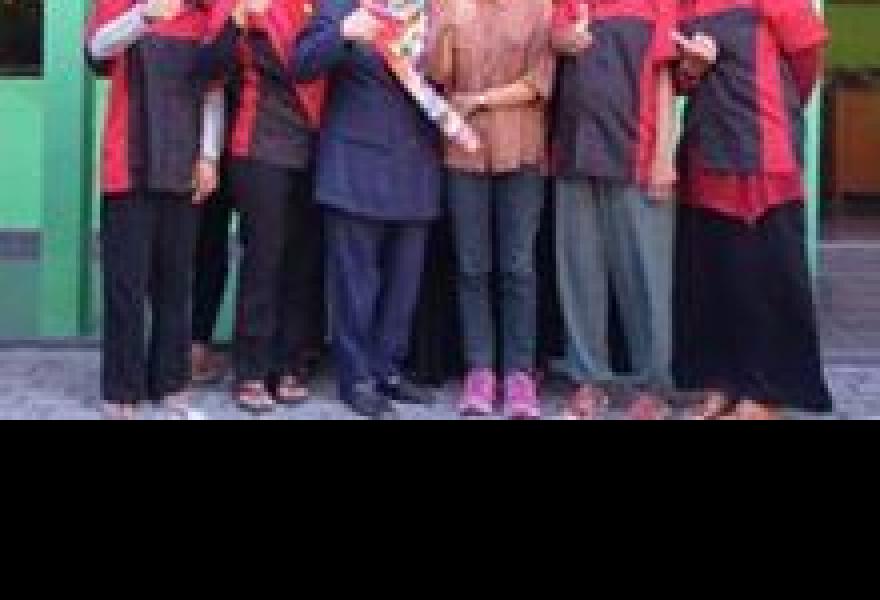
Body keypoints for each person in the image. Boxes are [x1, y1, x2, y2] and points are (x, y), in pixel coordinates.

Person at [674, 0, 833, 419]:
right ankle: (722, 382)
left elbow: (806, 61)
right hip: (707, 147)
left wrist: (780, 105)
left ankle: (768, 391)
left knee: (765, 277)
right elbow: (677, 81)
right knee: (713, 275)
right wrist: (691, 69)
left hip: (763, 147)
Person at [292, 0, 443, 419]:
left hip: (415, 166)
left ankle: (388, 369)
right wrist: (342, 33)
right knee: (355, 284)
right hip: (354, 168)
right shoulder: (341, 8)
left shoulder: (428, 12)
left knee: (404, 283)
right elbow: (301, 64)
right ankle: (356, 378)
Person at [86, 0, 227, 419]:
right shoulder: (121, 5)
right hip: (127, 168)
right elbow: (97, 51)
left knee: (176, 285)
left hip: (183, 168)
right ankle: (121, 390)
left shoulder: (203, 16)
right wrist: (144, 15)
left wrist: (209, 156)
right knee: (125, 285)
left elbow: (212, 93)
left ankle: (170, 383)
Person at [550, 0, 680, 420]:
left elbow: (665, 79)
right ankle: (589, 380)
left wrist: (663, 156)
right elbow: (550, 43)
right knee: (579, 274)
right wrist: (564, 39)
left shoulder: (657, 6)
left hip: (635, 155)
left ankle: (653, 387)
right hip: (574, 152)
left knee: (645, 278)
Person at [426, 0, 555, 419]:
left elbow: (540, 82)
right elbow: (438, 76)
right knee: (471, 267)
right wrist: (444, 24)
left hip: (521, 150)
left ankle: (519, 374)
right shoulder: (451, 7)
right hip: (463, 152)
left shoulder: (538, 9)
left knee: (518, 267)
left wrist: (480, 99)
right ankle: (479, 370)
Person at [197, 0, 327, 413]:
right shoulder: (241, 5)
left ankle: (289, 363)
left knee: (302, 262)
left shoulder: (321, 7)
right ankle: (251, 370)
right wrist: (236, 20)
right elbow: (207, 68)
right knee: (263, 260)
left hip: (315, 147)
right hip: (258, 145)